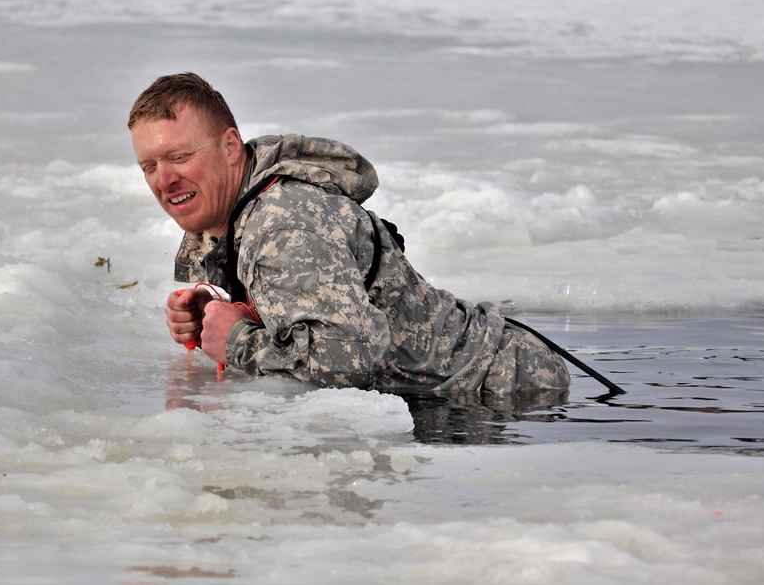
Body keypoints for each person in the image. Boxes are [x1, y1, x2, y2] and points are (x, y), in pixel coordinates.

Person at [128, 72, 572, 396]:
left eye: (180, 156)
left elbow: (351, 359)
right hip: (458, 390)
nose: (164, 180)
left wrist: (239, 342)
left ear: (229, 147)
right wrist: (216, 308)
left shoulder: (283, 220)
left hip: (504, 391)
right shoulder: (228, 209)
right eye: (149, 166)